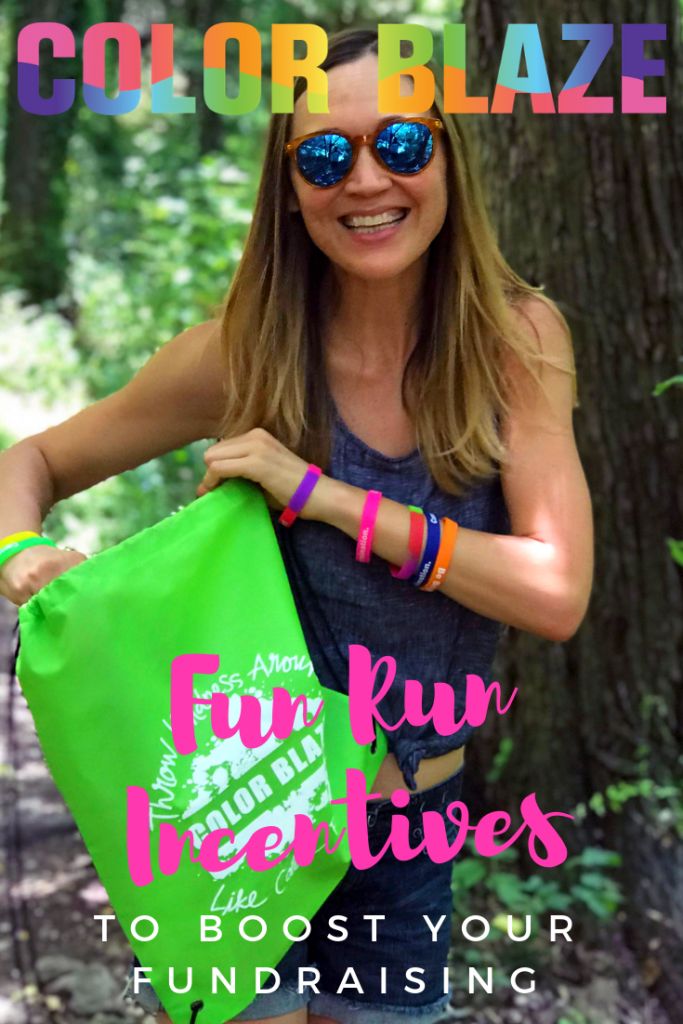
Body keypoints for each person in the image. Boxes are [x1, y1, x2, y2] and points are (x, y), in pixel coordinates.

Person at [0, 26, 593, 1024]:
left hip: (402, 840)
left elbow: (555, 590)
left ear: (447, 155)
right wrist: (22, 552)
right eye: (324, 155)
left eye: (400, 145)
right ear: (288, 186)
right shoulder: (245, 353)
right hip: (235, 819)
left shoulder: (513, 340)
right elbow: (34, 460)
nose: (364, 181)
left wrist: (323, 496)